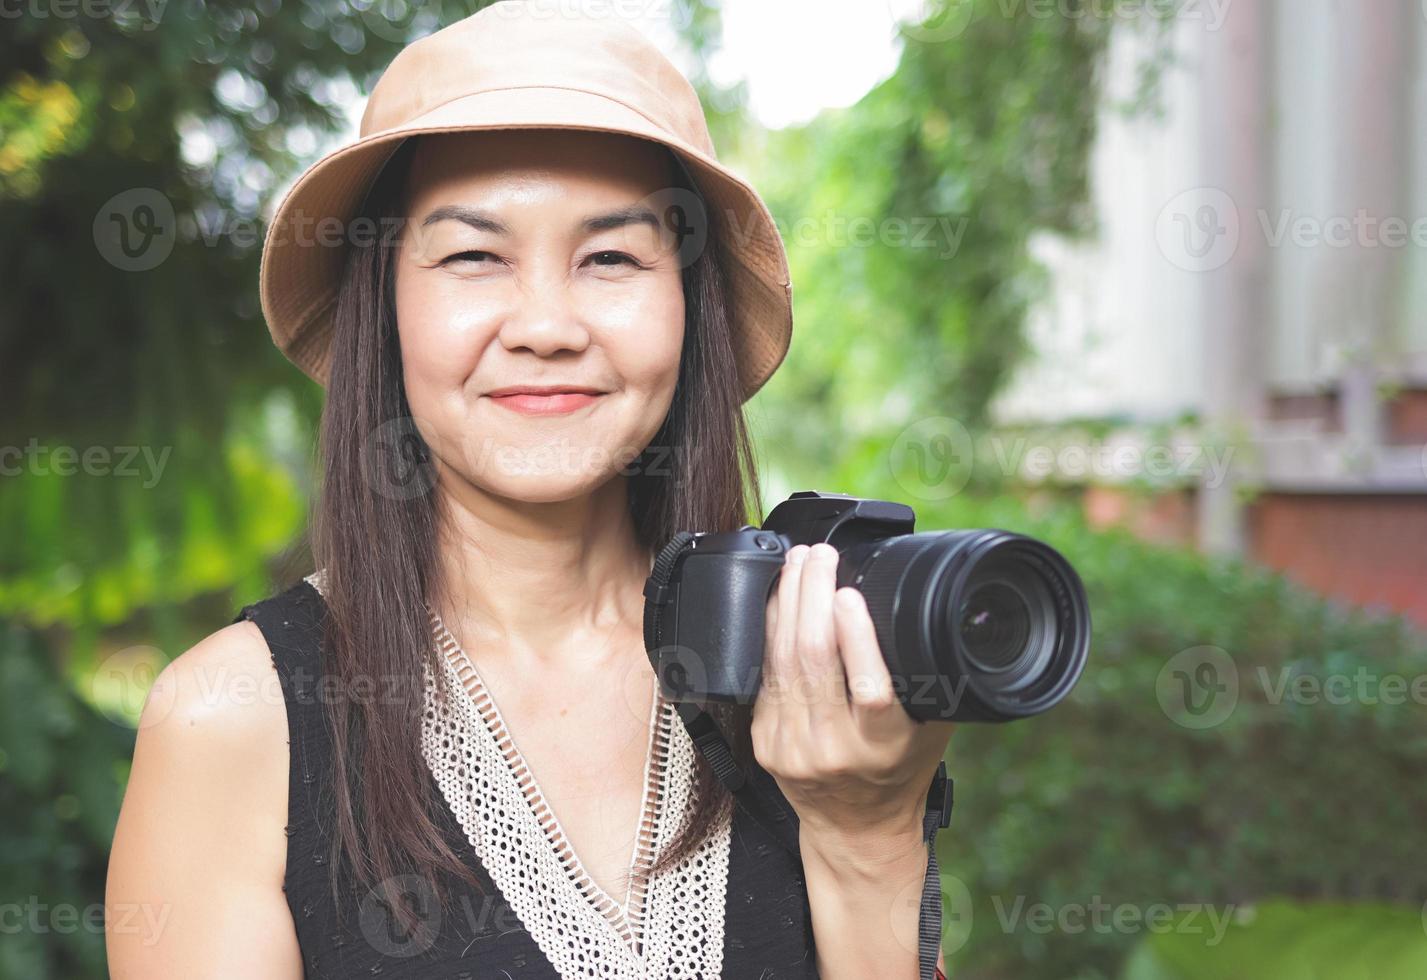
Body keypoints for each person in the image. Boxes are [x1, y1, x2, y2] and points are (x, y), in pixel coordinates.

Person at [105, 2, 956, 977]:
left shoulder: (806, 665)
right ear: (380, 308)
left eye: (611, 257)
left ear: (689, 308)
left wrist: (868, 835)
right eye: (472, 255)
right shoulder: (232, 718)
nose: (546, 324)